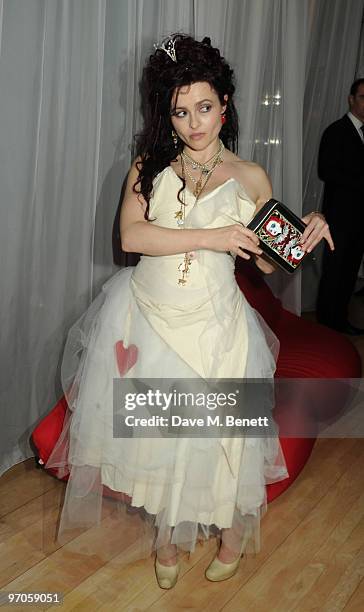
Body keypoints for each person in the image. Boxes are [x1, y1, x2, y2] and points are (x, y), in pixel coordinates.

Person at [45, 34, 333, 590]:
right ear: (167, 115)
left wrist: (306, 233)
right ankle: (171, 540)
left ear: (225, 105)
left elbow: (274, 265)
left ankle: (228, 538)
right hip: (146, 317)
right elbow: (132, 234)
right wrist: (216, 233)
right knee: (166, 439)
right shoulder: (148, 166)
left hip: (216, 324)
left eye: (205, 107)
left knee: (222, 444)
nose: (194, 123)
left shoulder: (250, 177)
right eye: (180, 111)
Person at [316, 78, 364, 335]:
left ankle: (341, 321)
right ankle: (326, 326)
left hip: (360, 218)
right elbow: (326, 171)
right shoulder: (336, 131)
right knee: (334, 271)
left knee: (349, 272)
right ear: (351, 99)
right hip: (340, 217)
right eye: (363, 97)